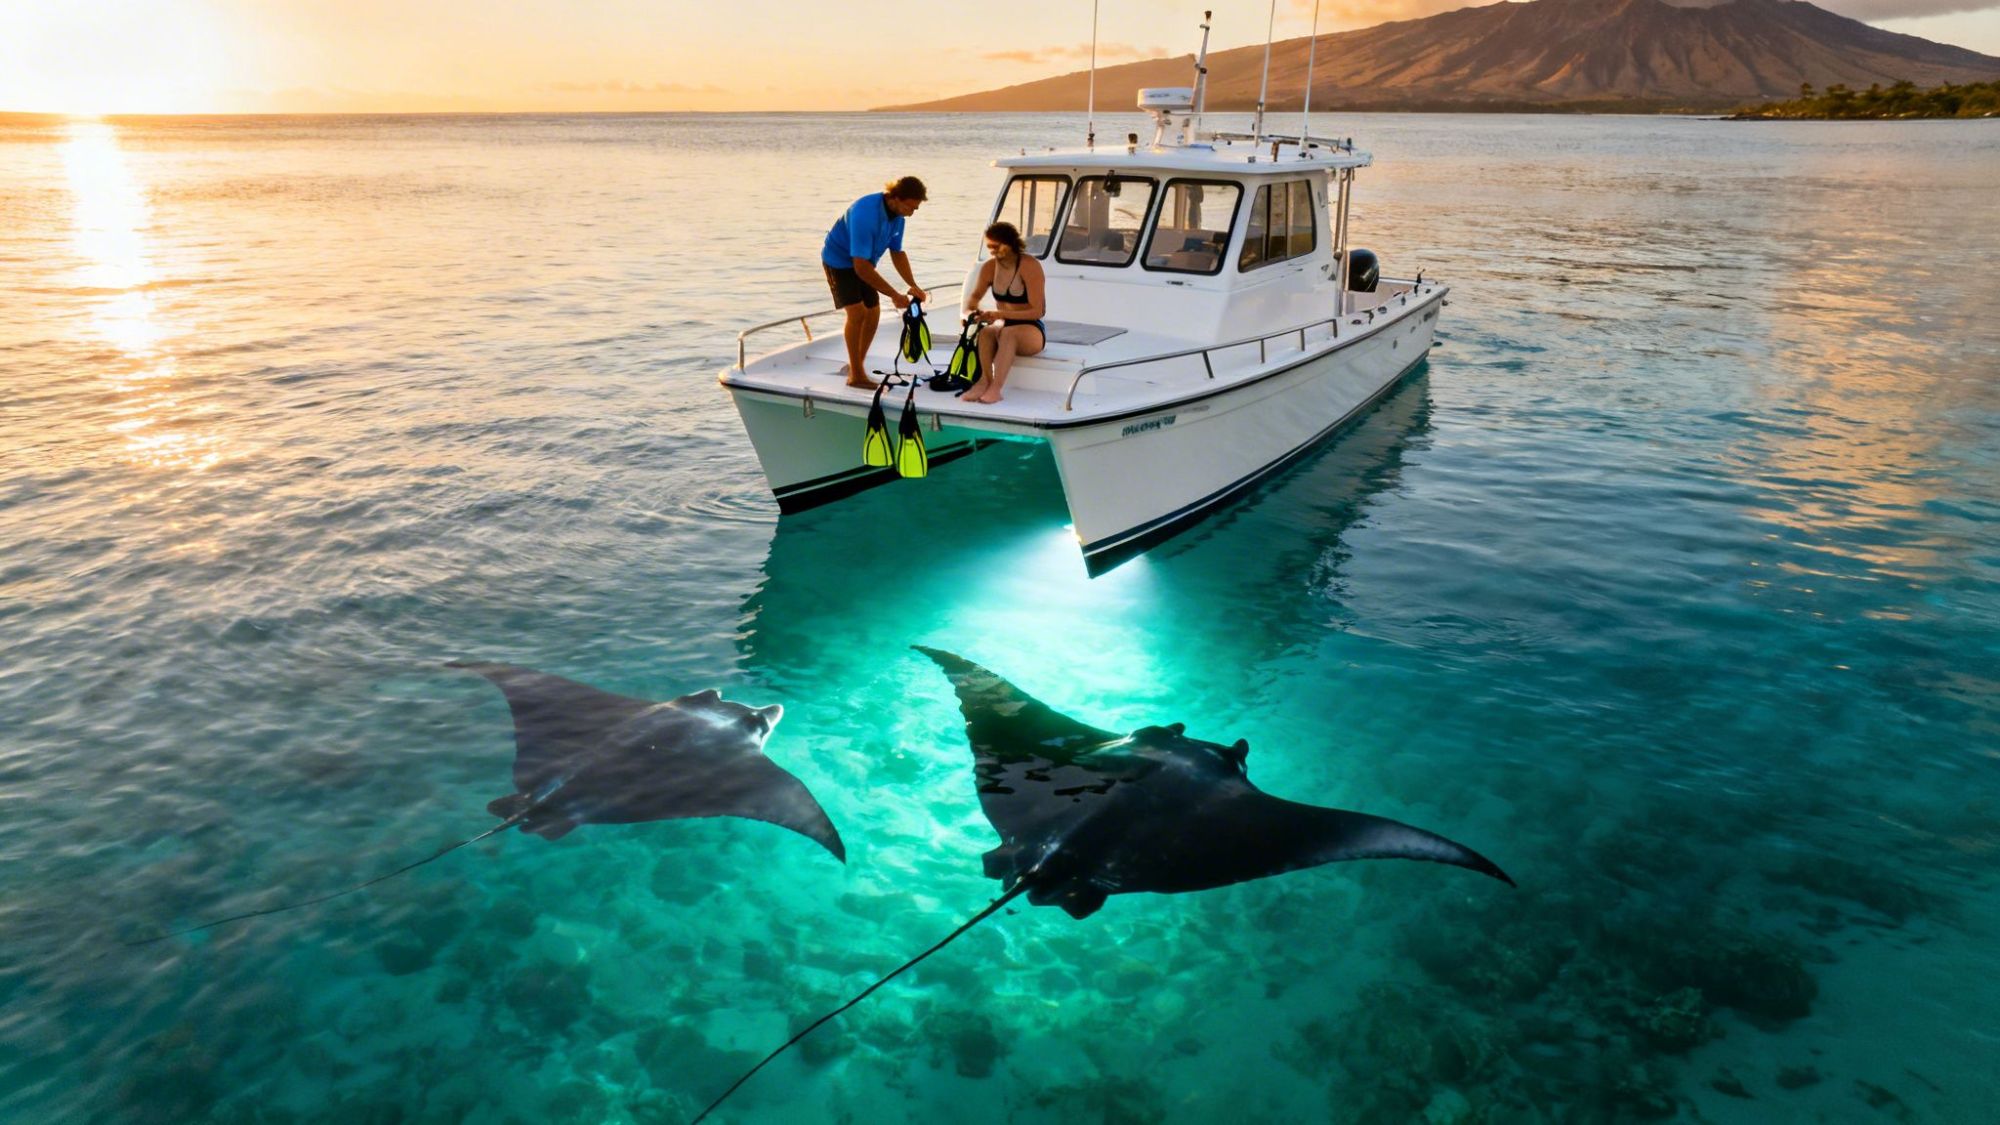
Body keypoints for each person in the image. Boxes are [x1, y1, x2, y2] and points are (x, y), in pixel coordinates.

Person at [821, 176, 929, 390]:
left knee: (874, 311)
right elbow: (859, 266)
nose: (913, 212)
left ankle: (856, 366)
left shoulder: (899, 217)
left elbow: (897, 252)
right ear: (896, 198)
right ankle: (857, 376)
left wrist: (912, 284)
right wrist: (895, 295)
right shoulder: (865, 214)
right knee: (857, 313)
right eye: (911, 207)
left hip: (865, 263)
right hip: (839, 262)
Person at [960, 221, 1045, 405]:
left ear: (1010, 243)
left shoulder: (1029, 266)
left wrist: (999, 315)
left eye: (996, 246)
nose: (992, 251)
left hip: (1031, 329)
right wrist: (969, 316)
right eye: (989, 246)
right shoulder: (989, 268)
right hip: (1003, 324)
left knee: (1008, 333)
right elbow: (972, 301)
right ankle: (984, 381)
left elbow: (1037, 311)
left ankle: (996, 389)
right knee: (985, 333)